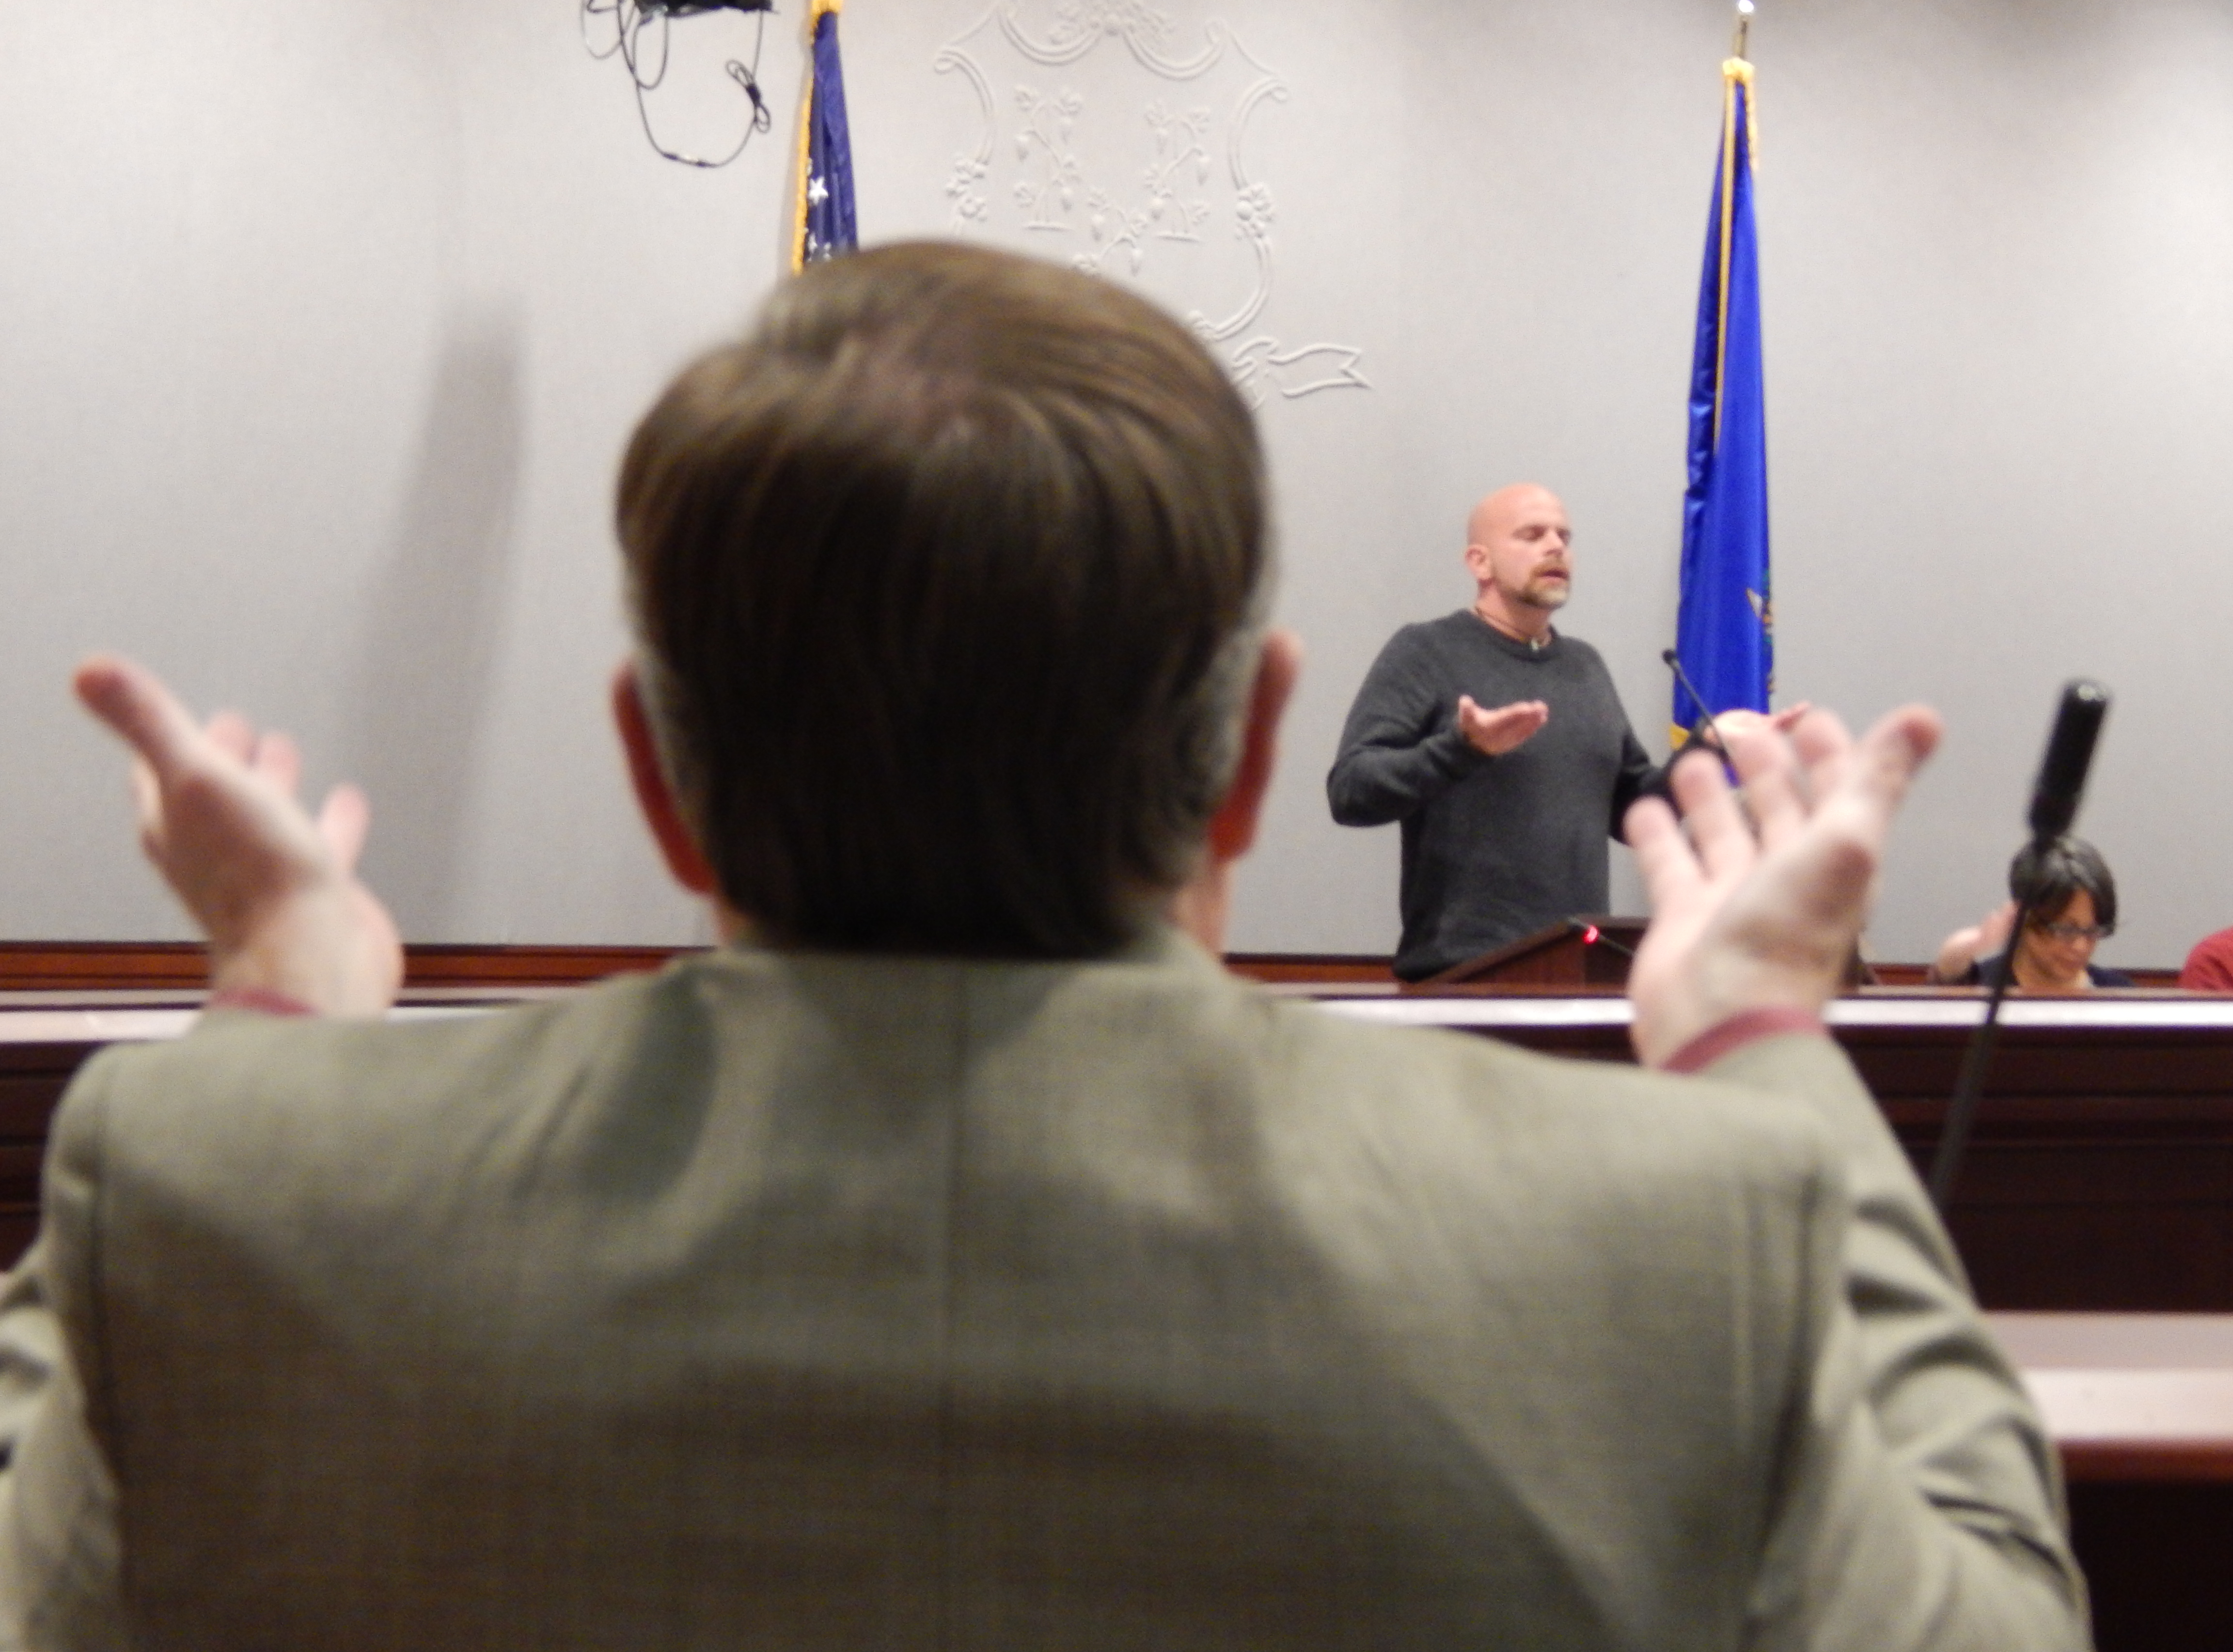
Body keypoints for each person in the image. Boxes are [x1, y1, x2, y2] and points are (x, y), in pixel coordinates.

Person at [0, 243, 2084, 1648]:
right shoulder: (1674, 1236)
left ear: (654, 774)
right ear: (1250, 757)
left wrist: (277, 994)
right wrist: (1754, 1037)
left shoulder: (218, 1199)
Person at [1326, 484, 1800, 981]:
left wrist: (1707, 748)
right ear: (1480, 562)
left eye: (1564, 537)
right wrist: (1461, 749)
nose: (1555, 547)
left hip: (1579, 968)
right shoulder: (1427, 651)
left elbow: (1633, 814)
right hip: (1463, 978)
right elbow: (1351, 792)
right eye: (1532, 535)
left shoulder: (1584, 667)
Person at [1930, 836, 2132, 991]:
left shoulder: (2119, 996)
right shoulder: (1983, 990)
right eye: (2066, 930)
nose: (2081, 947)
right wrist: (1956, 954)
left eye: (2092, 931)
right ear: (2025, 917)